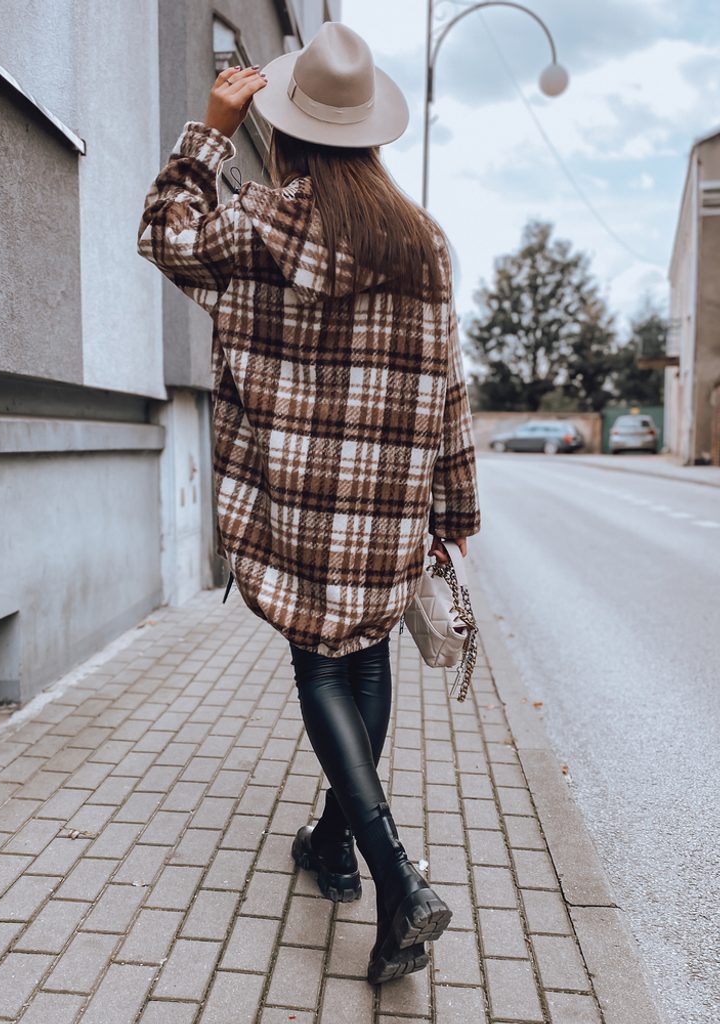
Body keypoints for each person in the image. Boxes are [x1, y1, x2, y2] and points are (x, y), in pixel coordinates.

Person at [137, 21, 480, 985]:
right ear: (369, 135)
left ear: (286, 132)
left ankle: (395, 877)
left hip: (293, 497)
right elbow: (448, 385)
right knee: (363, 659)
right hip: (384, 503)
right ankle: (334, 843)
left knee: (322, 667)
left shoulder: (253, 227)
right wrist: (453, 508)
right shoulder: (422, 243)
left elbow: (161, 231)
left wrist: (210, 132)